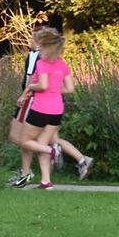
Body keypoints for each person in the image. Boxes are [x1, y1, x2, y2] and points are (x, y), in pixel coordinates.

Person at [12, 27, 93, 189]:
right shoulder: (62, 65)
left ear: (46, 47)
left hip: (41, 109)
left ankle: (52, 151)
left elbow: (42, 85)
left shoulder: (42, 64)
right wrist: (54, 89)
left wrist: (31, 87)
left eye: (41, 45)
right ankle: (46, 182)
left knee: (24, 141)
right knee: (42, 142)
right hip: (57, 111)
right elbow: (70, 89)